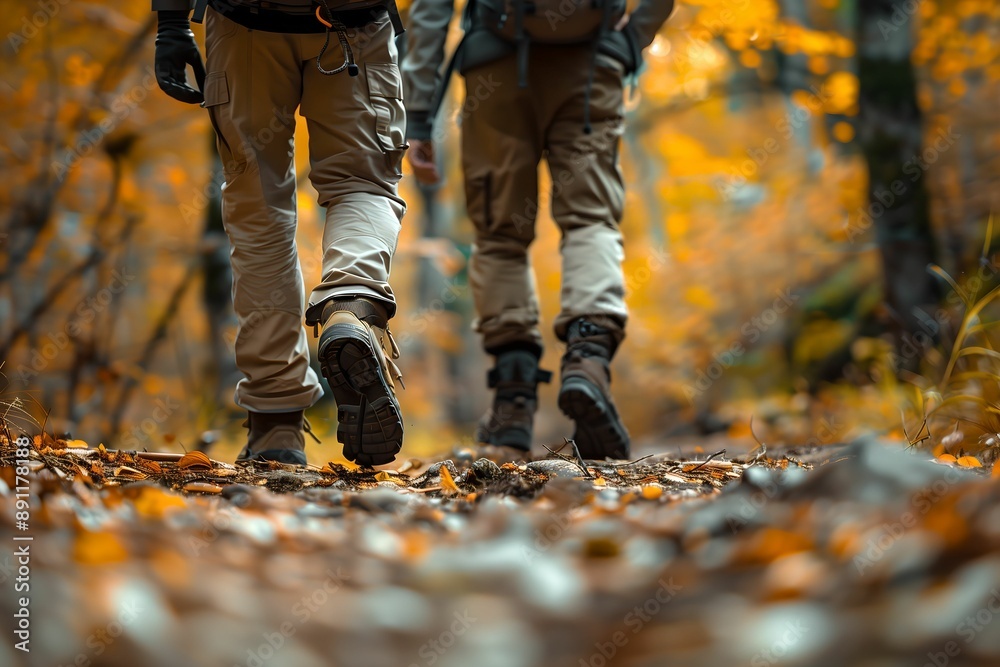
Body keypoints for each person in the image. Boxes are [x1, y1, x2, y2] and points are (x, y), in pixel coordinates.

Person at [401, 0, 674, 459]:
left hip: (496, 67)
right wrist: (631, 39)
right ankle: (589, 361)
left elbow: (431, 9)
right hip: (592, 64)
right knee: (590, 219)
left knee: (499, 234)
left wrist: (419, 111)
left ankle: (513, 398)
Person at [152, 0, 408, 466]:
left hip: (245, 22)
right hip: (353, 20)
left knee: (259, 214)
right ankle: (351, 303)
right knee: (362, 184)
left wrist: (170, 22)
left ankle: (276, 424)